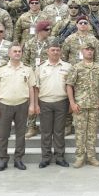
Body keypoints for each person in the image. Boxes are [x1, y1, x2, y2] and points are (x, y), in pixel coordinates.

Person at [0, 44, 37, 171]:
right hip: (4, 105)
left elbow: (31, 89)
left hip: (22, 105)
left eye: (19, 51)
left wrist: (32, 105)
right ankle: (3, 159)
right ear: (9, 53)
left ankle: (18, 159)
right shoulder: (1, 70)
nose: (17, 53)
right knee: (3, 135)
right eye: (14, 51)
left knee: (20, 134)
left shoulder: (28, 69)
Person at [66, 43, 99, 168]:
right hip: (80, 105)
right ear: (81, 51)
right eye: (87, 49)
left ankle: (91, 157)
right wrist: (72, 103)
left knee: (92, 133)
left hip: (94, 105)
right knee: (80, 133)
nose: (89, 51)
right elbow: (69, 85)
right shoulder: (76, 67)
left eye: (91, 49)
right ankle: (79, 157)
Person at [36, 39, 72, 168]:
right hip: (45, 102)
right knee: (46, 132)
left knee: (59, 131)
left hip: (61, 102)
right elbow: (36, 88)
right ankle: (45, 157)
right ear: (48, 51)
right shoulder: (41, 67)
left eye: (57, 50)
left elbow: (71, 86)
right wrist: (35, 104)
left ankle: (59, 157)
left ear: (61, 52)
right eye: (53, 50)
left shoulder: (67, 67)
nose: (55, 52)